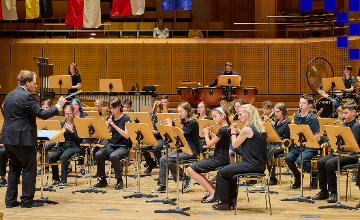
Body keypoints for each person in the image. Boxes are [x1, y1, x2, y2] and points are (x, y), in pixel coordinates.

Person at [2, 70, 66, 208]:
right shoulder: (26, 97)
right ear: (27, 83)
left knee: (14, 168)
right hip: (23, 139)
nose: (36, 86)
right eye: (34, 83)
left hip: (8, 138)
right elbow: (43, 114)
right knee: (29, 168)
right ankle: (27, 201)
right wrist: (59, 105)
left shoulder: (9, 96)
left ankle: (10, 201)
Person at [212, 104, 267, 210]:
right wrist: (238, 132)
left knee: (222, 172)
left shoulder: (247, 129)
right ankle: (231, 200)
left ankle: (225, 203)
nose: (239, 117)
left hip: (250, 164)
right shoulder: (258, 127)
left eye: (241, 115)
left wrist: (233, 132)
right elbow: (248, 136)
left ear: (248, 115)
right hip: (259, 164)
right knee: (230, 173)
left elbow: (235, 145)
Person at [312, 101, 360, 203]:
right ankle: (323, 191)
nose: (343, 115)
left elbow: (352, 146)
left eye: (346, 113)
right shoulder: (344, 125)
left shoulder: (356, 127)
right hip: (341, 152)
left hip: (351, 155)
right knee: (321, 162)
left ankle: (333, 193)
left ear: (353, 112)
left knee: (329, 164)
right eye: (343, 113)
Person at [151, 102, 199, 193]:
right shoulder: (186, 121)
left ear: (188, 111)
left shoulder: (192, 122)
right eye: (179, 112)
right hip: (183, 149)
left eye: (181, 112)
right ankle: (163, 186)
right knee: (162, 159)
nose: (179, 114)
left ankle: (185, 178)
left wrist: (170, 125)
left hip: (190, 151)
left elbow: (178, 135)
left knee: (168, 159)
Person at [187, 107, 231, 203]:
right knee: (193, 169)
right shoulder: (226, 128)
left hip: (219, 159)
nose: (213, 119)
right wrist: (211, 134)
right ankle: (215, 191)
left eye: (215, 116)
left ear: (223, 116)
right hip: (221, 158)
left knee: (190, 170)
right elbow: (220, 141)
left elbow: (209, 144)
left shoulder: (223, 130)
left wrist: (206, 134)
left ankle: (212, 193)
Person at [94, 97, 131, 190]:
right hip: (113, 145)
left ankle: (119, 180)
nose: (112, 110)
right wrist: (106, 130)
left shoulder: (126, 118)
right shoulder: (110, 118)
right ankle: (102, 180)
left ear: (119, 107)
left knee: (113, 156)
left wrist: (114, 125)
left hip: (124, 146)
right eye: (110, 108)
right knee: (98, 154)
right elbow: (106, 134)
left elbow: (127, 135)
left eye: (113, 108)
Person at [285, 94, 320, 189]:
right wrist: (294, 135)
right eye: (300, 102)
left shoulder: (312, 118)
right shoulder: (297, 116)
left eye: (304, 103)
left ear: (310, 105)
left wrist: (307, 137)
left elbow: (318, 137)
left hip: (310, 147)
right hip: (298, 145)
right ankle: (297, 175)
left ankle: (314, 174)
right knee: (288, 158)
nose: (301, 105)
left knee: (300, 160)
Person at [49, 105, 83, 187]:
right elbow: (56, 138)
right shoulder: (62, 124)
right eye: (66, 114)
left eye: (69, 114)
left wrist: (71, 131)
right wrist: (60, 132)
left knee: (64, 157)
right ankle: (56, 179)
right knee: (52, 156)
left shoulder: (78, 124)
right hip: (62, 146)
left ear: (73, 113)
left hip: (73, 146)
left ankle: (63, 180)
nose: (67, 116)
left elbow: (80, 140)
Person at [267, 102, 291, 185]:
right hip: (274, 143)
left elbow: (286, 139)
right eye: (275, 111)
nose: (275, 113)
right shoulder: (277, 121)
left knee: (269, 153)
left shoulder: (288, 122)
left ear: (283, 111)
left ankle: (272, 178)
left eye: (277, 112)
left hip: (283, 146)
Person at [142, 101, 165, 174]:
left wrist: (156, 132)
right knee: (143, 148)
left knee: (155, 148)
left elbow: (165, 131)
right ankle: (151, 164)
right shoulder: (149, 116)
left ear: (160, 109)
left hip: (160, 137)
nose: (155, 108)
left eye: (157, 107)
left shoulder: (163, 117)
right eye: (154, 106)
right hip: (150, 137)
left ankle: (161, 164)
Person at [37, 99, 57, 175]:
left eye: (47, 108)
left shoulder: (54, 119)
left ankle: (44, 166)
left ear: (51, 108)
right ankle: (43, 165)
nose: (45, 109)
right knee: (41, 145)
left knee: (43, 145)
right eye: (43, 108)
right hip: (43, 139)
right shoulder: (40, 119)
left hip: (53, 139)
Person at [228, 99, 246, 164]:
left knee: (229, 153)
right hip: (234, 139)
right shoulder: (233, 117)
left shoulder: (245, 118)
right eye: (235, 106)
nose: (236, 108)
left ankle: (233, 169)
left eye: (238, 106)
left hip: (242, 140)